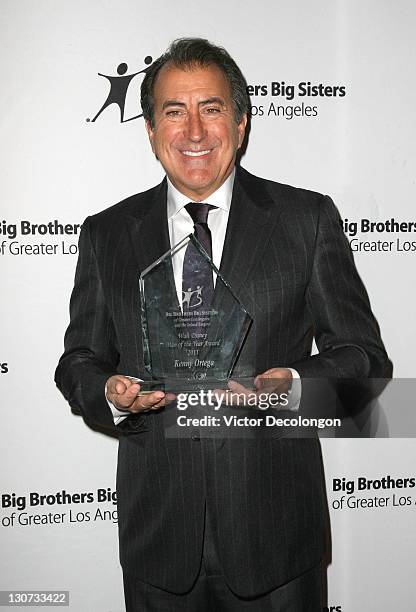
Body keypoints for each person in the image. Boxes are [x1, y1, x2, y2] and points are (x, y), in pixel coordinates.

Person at [55, 38, 392, 611]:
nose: (193, 131)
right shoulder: (106, 234)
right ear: (150, 130)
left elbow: (364, 357)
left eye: (211, 109)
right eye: (173, 111)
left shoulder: (306, 220)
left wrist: (293, 387)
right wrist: (109, 393)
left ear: (240, 123)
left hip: (278, 539)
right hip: (158, 540)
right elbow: (78, 361)